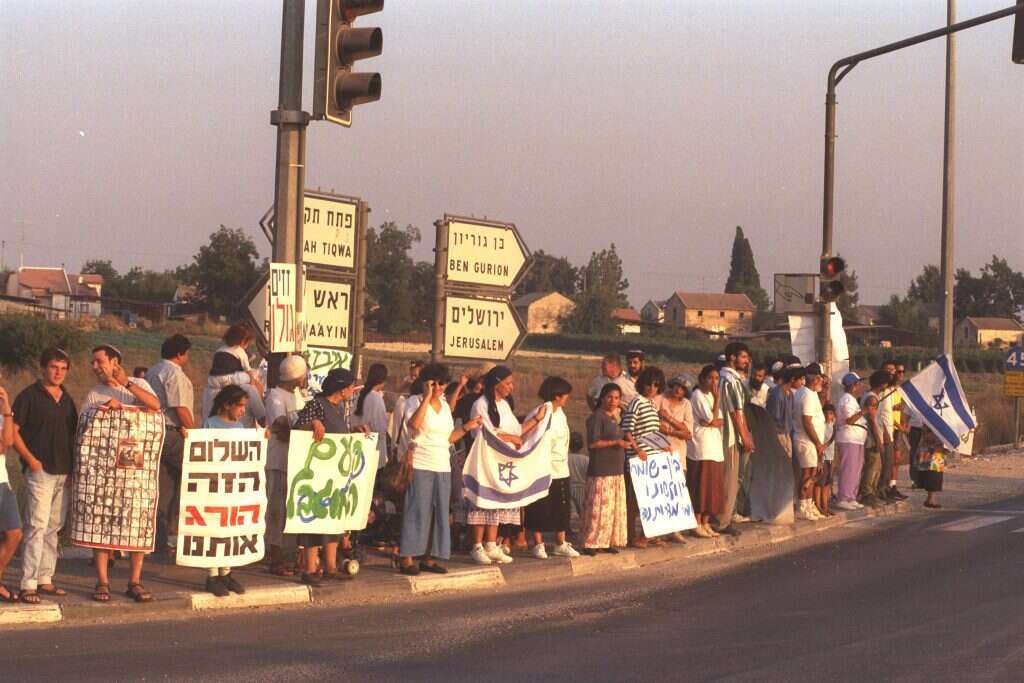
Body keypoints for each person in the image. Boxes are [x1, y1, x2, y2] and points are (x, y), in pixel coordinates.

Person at [81, 344, 161, 603]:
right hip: (105, 471)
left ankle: (134, 580)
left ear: (114, 361)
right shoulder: (94, 393)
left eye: (99, 361)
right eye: (93, 363)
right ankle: (102, 581)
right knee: (101, 522)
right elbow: (84, 429)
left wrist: (126, 385)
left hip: (135, 468)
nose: (95, 367)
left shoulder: (138, 384)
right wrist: (103, 410)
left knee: (136, 522)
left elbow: (155, 407)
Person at [398, 364, 482, 575]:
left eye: (441, 383)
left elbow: (448, 438)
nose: (438, 387)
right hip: (421, 462)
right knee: (417, 509)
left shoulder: (445, 406)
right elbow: (414, 425)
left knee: (439, 512)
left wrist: (465, 428)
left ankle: (429, 557)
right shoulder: (414, 402)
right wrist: (426, 397)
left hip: (442, 464)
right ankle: (407, 557)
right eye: (433, 383)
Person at [288, 367, 367, 585]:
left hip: (335, 473)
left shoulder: (338, 407)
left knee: (333, 520)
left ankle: (331, 566)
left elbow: (338, 436)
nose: (352, 390)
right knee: (315, 519)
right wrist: (313, 423)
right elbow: (297, 430)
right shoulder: (317, 404)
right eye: (351, 386)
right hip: (316, 473)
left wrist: (355, 432)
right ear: (342, 389)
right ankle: (310, 568)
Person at [10, 349, 77, 604]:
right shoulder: (28, 396)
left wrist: (71, 470)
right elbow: (13, 432)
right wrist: (31, 460)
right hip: (40, 472)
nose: (58, 372)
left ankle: (45, 578)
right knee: (36, 526)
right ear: (43, 368)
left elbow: (72, 436)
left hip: (63, 472)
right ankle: (28, 583)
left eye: (63, 368)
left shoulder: (68, 399)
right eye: (53, 367)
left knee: (53, 528)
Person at [467, 366, 546, 565]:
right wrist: (512, 438)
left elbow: (517, 431)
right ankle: (477, 545)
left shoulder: (504, 405)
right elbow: (485, 433)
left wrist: (537, 419)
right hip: (487, 460)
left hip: (504, 461)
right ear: (497, 383)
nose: (512, 387)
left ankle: (491, 544)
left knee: (496, 502)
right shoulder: (480, 405)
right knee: (483, 502)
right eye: (508, 383)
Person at [145, 334, 195, 555]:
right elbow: (180, 407)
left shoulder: (152, 371)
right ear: (180, 354)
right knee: (198, 475)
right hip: (172, 432)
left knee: (163, 487)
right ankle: (188, 532)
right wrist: (194, 434)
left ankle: (160, 538)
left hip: (155, 431)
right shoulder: (174, 373)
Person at [199, 385, 251, 596]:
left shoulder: (240, 428)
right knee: (213, 530)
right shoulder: (210, 425)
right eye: (240, 406)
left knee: (231, 528)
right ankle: (212, 575)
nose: (243, 411)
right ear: (227, 404)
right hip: (212, 485)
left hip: (233, 486)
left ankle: (226, 573)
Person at [525, 377, 580, 559]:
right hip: (543, 467)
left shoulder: (560, 413)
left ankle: (560, 543)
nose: (567, 399)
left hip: (561, 468)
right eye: (566, 396)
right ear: (557, 396)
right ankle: (538, 544)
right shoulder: (542, 412)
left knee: (561, 507)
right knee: (540, 506)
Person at [264, 355, 307, 576]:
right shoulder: (275, 396)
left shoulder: (297, 396)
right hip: (278, 460)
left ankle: (291, 555)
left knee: (292, 510)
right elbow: (280, 425)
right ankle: (275, 557)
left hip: (295, 461)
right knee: (276, 510)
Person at [580, 383, 629, 555]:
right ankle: (591, 542)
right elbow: (593, 443)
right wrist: (616, 443)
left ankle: (607, 541)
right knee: (598, 508)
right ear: (602, 398)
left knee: (612, 509)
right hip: (601, 470)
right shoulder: (597, 417)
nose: (613, 401)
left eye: (616, 398)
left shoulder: (615, 417)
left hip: (616, 469)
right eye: (609, 397)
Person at [620, 366, 663, 548]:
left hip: (652, 460)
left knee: (650, 500)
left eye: (655, 385)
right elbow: (627, 430)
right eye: (648, 384)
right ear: (642, 384)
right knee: (634, 501)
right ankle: (631, 537)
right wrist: (638, 450)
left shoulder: (652, 404)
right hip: (637, 460)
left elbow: (651, 433)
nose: (651, 388)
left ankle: (648, 534)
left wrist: (664, 446)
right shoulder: (636, 402)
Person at [718, 342, 755, 535]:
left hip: (725, 435)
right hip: (731, 436)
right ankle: (723, 521)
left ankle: (727, 516)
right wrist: (745, 436)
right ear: (732, 357)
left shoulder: (722, 378)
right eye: (743, 357)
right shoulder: (731, 380)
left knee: (732, 479)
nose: (746, 361)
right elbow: (736, 412)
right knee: (730, 480)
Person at [201, 323, 266, 427]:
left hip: (213, 440)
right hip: (239, 439)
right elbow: (264, 421)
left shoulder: (208, 390)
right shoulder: (247, 390)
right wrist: (255, 385)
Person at [688, 365, 725, 538]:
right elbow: (711, 418)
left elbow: (719, 420)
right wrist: (717, 401)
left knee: (712, 486)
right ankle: (696, 522)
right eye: (710, 378)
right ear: (702, 379)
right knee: (701, 485)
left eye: (717, 378)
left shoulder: (712, 396)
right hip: (701, 446)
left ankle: (705, 521)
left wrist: (712, 420)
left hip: (714, 445)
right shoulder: (698, 395)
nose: (714, 382)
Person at [794, 364, 827, 521]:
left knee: (813, 473)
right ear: (816, 379)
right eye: (821, 378)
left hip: (811, 441)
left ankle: (808, 504)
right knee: (807, 474)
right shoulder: (806, 395)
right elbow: (807, 422)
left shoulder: (810, 393)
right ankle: (802, 506)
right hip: (806, 441)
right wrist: (817, 443)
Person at [834, 373, 868, 511]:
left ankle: (851, 496)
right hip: (849, 438)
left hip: (857, 439)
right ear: (853, 386)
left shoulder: (852, 400)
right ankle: (843, 497)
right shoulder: (846, 400)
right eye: (858, 384)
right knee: (848, 468)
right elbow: (849, 420)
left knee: (856, 469)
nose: (861, 387)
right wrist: (863, 412)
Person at [0, 383, 21, 603]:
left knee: (14, 533)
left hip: (2, 480)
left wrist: (6, 406)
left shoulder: (1, 414)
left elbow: (8, 442)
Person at [351, 363, 390, 471]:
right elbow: (381, 428)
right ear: (383, 380)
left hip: (359, 447)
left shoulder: (360, 394)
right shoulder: (376, 398)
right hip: (373, 449)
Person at [858, 371, 888, 509]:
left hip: (874, 436)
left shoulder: (872, 396)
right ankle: (867, 494)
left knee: (877, 467)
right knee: (872, 467)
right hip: (871, 438)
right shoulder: (872, 399)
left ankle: (872, 493)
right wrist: (878, 440)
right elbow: (872, 421)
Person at [654, 374, 695, 468]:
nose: (678, 389)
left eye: (683, 388)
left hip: (678, 454)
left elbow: (688, 434)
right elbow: (652, 424)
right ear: (673, 384)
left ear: (685, 392)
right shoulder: (660, 399)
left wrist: (668, 419)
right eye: (678, 385)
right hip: (659, 451)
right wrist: (680, 430)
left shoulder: (686, 404)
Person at [813, 403, 836, 517]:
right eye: (826, 413)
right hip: (823, 457)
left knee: (827, 482)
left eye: (830, 414)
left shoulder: (833, 426)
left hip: (831, 457)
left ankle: (825, 505)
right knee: (819, 482)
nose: (828, 416)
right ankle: (818, 505)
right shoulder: (821, 426)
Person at [916, 428, 945, 509]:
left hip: (936, 449)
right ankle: (930, 499)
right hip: (930, 448)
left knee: (935, 474)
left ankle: (931, 498)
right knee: (931, 474)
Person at [567, 432, 588, 520]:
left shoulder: (565, 458)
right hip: (583, 490)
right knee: (584, 517)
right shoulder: (586, 459)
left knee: (570, 516)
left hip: (569, 489)